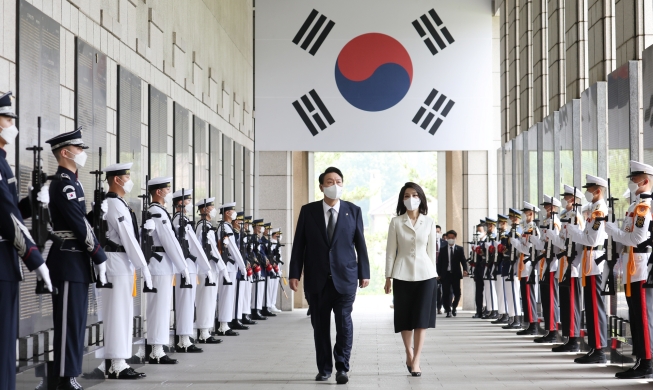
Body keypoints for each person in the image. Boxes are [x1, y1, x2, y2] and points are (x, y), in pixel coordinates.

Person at [289, 167, 370, 385]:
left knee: (344, 324)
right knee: (320, 326)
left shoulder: (353, 211)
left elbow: (360, 244)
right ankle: (324, 368)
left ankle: (342, 367)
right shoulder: (308, 211)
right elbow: (299, 245)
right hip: (317, 279)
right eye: (330, 181)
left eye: (339, 181)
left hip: (345, 278)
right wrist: (294, 274)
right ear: (321, 186)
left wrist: (364, 272)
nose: (335, 185)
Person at [45, 128, 108, 390]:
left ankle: (69, 373)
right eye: (78, 148)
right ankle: (64, 376)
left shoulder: (73, 181)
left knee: (77, 321)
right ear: (65, 152)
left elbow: (80, 221)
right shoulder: (64, 182)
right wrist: (99, 255)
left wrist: (94, 214)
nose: (82, 153)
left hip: (76, 261)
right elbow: (76, 226)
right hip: (68, 260)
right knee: (69, 322)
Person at [0, 91, 52, 390]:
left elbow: (10, 211)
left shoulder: (3, 161)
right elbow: (6, 218)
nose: (12, 124)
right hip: (2, 262)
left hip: (6, 261)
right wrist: (35, 259)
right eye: (8, 118)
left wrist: (32, 201)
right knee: (3, 344)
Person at [97, 163, 152, 379]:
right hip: (116, 262)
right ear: (117, 180)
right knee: (118, 313)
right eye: (126, 176)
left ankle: (119, 361)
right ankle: (116, 364)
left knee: (124, 312)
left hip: (122, 263)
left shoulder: (119, 203)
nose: (129, 180)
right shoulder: (114, 204)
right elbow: (127, 238)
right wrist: (143, 266)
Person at [384, 182, 438, 377]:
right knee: (405, 318)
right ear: (402, 199)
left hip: (426, 275)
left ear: (421, 198)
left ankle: (417, 360)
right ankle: (409, 352)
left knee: (422, 319)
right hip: (402, 274)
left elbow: (432, 252)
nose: (411, 199)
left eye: (415, 195)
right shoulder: (396, 222)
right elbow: (391, 252)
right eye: (407, 195)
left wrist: (435, 275)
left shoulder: (429, 222)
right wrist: (388, 277)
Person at [606, 161, 653, 378]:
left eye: (634, 179)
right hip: (631, 264)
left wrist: (614, 231)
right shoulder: (635, 206)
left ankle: (647, 363)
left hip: (641, 265)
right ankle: (641, 359)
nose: (632, 182)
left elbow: (637, 238)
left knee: (642, 316)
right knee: (635, 315)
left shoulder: (644, 207)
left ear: (645, 181)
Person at [144, 177, 187, 364]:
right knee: (158, 309)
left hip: (162, 265)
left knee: (161, 308)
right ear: (159, 192)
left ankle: (158, 349)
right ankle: (156, 351)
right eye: (167, 189)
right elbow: (169, 241)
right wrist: (183, 266)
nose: (169, 193)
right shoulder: (157, 212)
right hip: (159, 265)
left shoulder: (158, 211)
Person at [566, 174, 608, 364]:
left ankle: (599, 350)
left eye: (590, 190)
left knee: (594, 306)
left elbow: (591, 239)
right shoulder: (592, 210)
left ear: (598, 191)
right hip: (588, 260)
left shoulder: (600, 211)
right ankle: (594, 347)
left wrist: (573, 231)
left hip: (595, 260)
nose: (587, 193)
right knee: (589, 307)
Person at [171, 189, 212, 353]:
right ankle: (183, 340)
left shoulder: (183, 220)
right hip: (185, 266)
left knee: (188, 303)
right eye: (186, 200)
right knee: (185, 303)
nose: (189, 203)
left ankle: (186, 337)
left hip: (189, 265)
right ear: (180, 203)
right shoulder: (178, 220)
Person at [548, 185, 584, 352]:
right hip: (564, 264)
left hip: (572, 264)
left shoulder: (575, 217)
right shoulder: (567, 216)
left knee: (571, 303)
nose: (565, 200)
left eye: (568, 197)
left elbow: (573, 242)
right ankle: (569, 338)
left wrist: (554, 238)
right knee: (565, 302)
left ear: (575, 200)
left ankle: (574, 339)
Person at [195, 197, 228, 342]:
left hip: (210, 266)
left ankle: (206, 330)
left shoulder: (207, 225)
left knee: (210, 299)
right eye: (211, 207)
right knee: (205, 300)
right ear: (204, 210)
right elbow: (207, 249)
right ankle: (203, 332)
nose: (213, 209)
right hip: (206, 267)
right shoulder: (203, 226)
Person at [530, 195, 561, 343]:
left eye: (548, 206)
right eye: (545, 206)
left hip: (552, 263)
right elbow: (543, 245)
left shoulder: (555, 223)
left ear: (554, 208)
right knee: (546, 298)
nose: (546, 209)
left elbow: (556, 244)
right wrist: (535, 239)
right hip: (544, 264)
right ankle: (549, 329)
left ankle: (553, 330)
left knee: (551, 298)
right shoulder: (546, 222)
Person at [215, 203, 248, 333]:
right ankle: (223, 325)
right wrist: (242, 265)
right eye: (233, 211)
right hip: (227, 265)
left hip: (230, 266)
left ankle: (225, 323)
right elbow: (233, 248)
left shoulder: (226, 227)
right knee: (226, 295)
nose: (235, 213)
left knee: (228, 295)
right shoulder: (226, 227)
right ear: (227, 213)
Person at [511, 202, 540, 335]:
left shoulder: (532, 228)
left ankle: (533, 325)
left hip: (528, 265)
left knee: (529, 296)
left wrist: (515, 242)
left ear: (531, 213)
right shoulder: (526, 228)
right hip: (523, 265)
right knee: (525, 294)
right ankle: (529, 323)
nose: (524, 214)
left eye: (526, 212)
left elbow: (528, 249)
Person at [436, 230, 467, 317]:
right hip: (445, 274)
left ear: (455, 238)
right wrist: (438, 274)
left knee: (457, 293)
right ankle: (448, 310)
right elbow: (440, 263)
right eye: (449, 238)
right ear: (446, 238)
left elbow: (463, 260)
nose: (450, 239)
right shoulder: (442, 250)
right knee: (445, 293)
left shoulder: (459, 249)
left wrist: (465, 269)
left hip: (455, 274)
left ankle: (454, 307)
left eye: (452, 238)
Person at [501, 209, 523, 329]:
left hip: (514, 264)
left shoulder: (517, 231)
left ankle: (517, 319)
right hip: (509, 263)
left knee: (514, 292)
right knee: (510, 293)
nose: (511, 219)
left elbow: (516, 249)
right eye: (511, 217)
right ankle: (513, 317)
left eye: (513, 217)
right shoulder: (512, 231)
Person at [491, 214, 510, 324]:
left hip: (503, 265)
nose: (500, 225)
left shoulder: (506, 236)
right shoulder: (500, 236)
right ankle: (502, 313)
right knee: (500, 291)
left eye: (502, 223)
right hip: (499, 266)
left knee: (503, 291)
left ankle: (505, 314)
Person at [482, 218, 499, 319]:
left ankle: (494, 310)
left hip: (493, 264)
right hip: (487, 264)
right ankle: (490, 309)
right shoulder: (488, 237)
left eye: (490, 226)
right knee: (488, 289)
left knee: (492, 289)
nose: (488, 227)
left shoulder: (494, 237)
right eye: (487, 226)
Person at [472, 222, 487, 318]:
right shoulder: (476, 242)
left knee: (487, 292)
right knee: (478, 291)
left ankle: (487, 310)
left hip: (485, 269)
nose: (478, 233)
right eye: (477, 231)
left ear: (485, 232)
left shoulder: (488, 241)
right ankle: (479, 311)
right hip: (478, 270)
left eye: (480, 231)